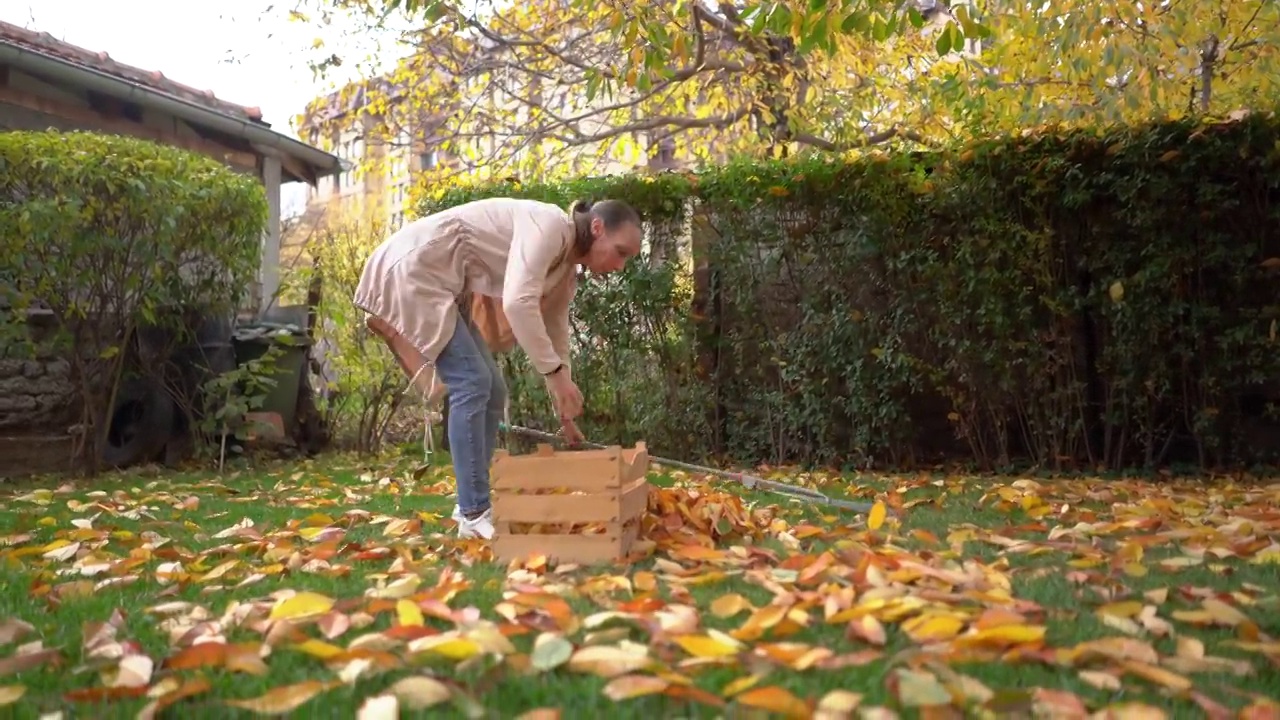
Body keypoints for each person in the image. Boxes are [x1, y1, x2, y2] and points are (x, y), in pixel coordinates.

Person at [353, 196, 644, 540]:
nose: (620, 265)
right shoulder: (549, 224)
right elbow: (518, 303)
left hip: (445, 283)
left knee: (493, 389)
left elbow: (556, 332)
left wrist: (563, 402)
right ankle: (473, 512)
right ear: (597, 228)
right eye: (621, 251)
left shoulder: (564, 268)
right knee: (472, 383)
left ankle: (471, 504)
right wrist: (554, 376)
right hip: (416, 269)